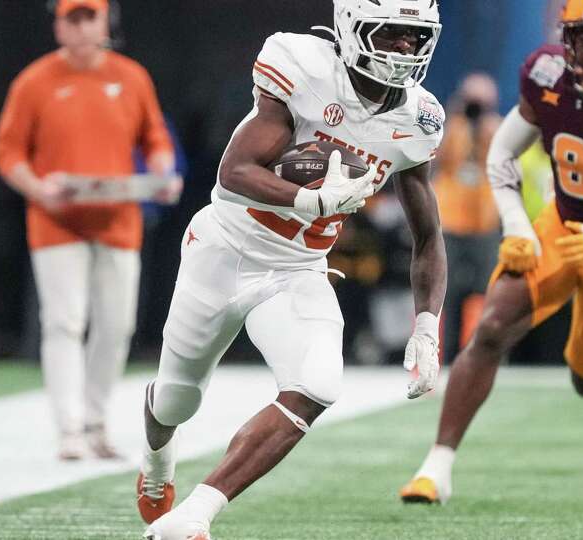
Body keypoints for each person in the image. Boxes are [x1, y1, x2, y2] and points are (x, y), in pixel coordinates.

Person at [136, 1, 447, 537]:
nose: (402, 49)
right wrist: (314, 202)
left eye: (413, 38)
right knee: (176, 397)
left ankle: (196, 512)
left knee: (319, 382)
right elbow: (233, 172)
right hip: (225, 248)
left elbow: (428, 236)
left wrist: (426, 325)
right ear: (352, 28)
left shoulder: (418, 119)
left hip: (298, 267)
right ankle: (157, 463)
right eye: (390, 33)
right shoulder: (304, 66)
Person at [400, 0, 583, 504]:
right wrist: (518, 226)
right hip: (559, 226)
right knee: (492, 327)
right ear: (567, 38)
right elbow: (501, 154)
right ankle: (437, 467)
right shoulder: (546, 74)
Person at [0, 0, 180, 461]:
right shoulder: (34, 81)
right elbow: (7, 151)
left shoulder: (131, 76)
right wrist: (38, 189)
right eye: (69, 18)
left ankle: (95, 421)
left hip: (118, 217)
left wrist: (160, 172)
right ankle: (69, 429)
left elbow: (154, 136)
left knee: (117, 325)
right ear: (56, 25)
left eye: (87, 16)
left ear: (105, 22)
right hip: (56, 220)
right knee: (63, 322)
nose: (78, 27)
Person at [433, 73, 502, 363]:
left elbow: (499, 160)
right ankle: (433, 356)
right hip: (450, 221)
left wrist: (484, 127)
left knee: (483, 291)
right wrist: (456, 119)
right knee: (440, 291)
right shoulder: (451, 128)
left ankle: (474, 357)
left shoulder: (495, 129)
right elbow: (438, 159)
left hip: (483, 222)